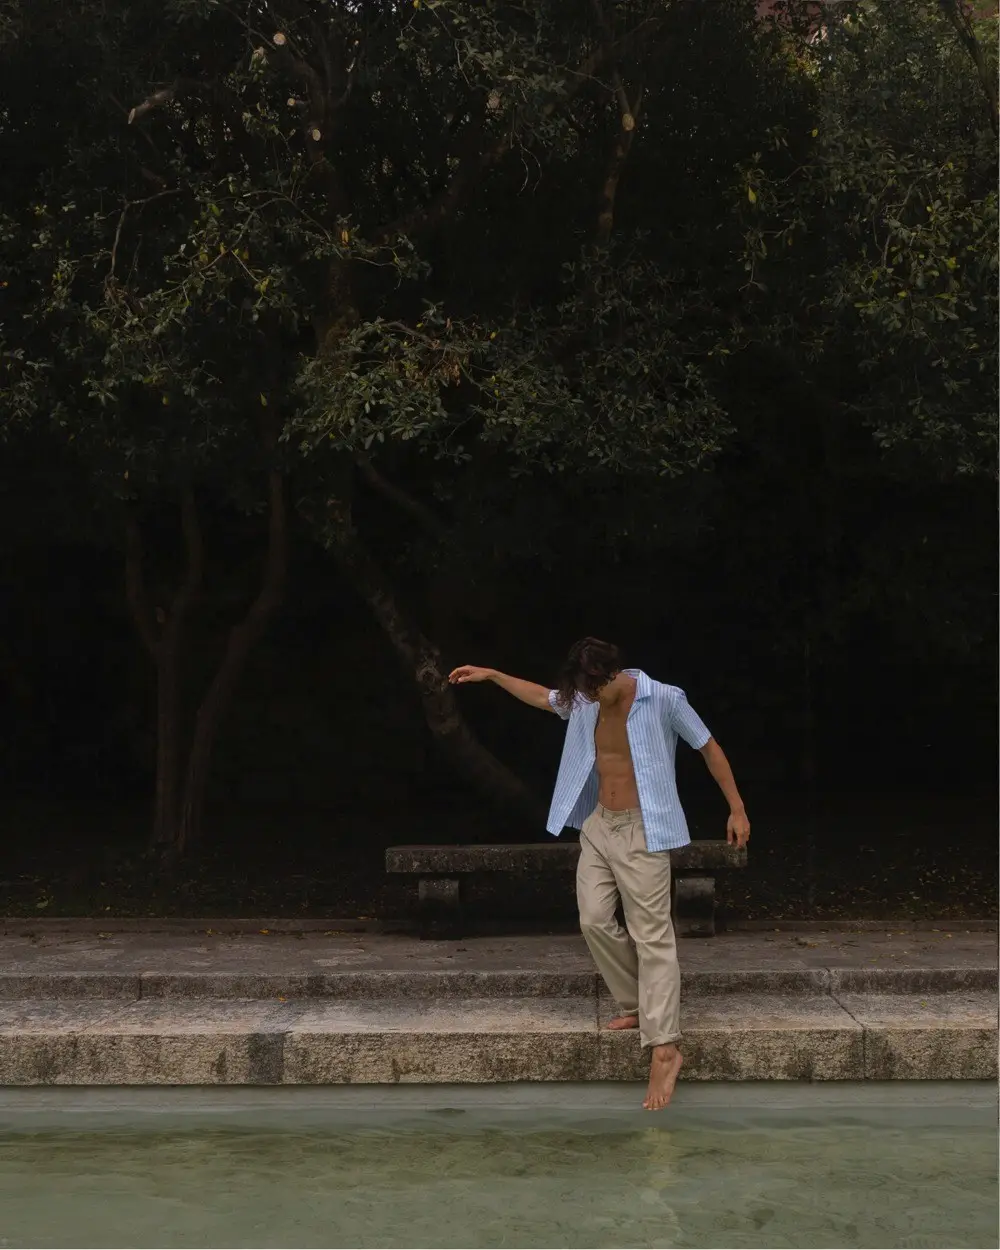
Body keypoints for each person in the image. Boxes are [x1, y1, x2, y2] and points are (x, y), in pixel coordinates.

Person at [449, 637, 750, 1111]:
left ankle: (666, 1048)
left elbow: (708, 747)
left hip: (642, 831)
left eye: (590, 689)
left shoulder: (664, 698)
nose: (583, 699)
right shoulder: (586, 700)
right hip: (599, 826)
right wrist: (492, 675)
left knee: (652, 937)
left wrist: (736, 808)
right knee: (592, 919)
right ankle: (637, 1004)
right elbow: (541, 697)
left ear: (610, 675)